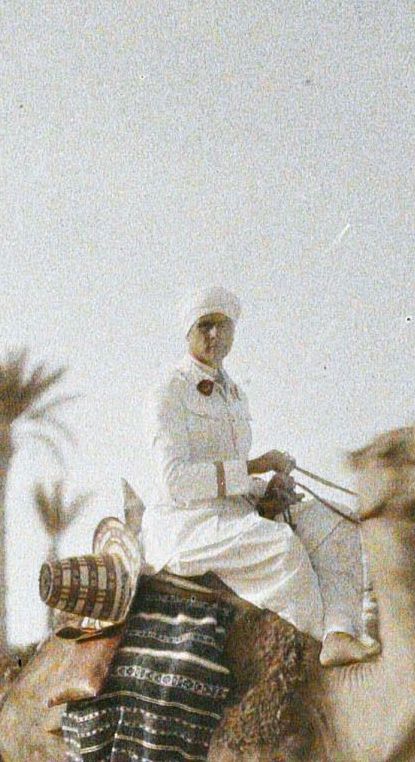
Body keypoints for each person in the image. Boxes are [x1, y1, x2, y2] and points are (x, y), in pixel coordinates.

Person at [140, 285, 377, 667]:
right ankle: (313, 655)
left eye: (223, 326)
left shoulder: (235, 393)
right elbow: (177, 482)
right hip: (186, 525)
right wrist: (255, 467)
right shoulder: (169, 391)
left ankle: (339, 633)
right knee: (282, 548)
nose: (215, 335)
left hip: (237, 512)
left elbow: (231, 476)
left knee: (336, 520)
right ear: (188, 333)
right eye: (205, 326)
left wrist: (267, 491)